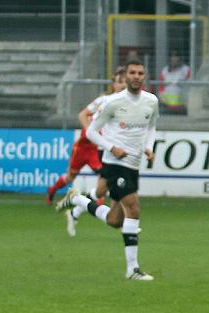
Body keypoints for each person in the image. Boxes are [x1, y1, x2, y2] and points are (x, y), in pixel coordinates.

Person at [56, 59, 159, 281]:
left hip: (133, 165)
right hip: (114, 163)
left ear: (144, 77)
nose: (136, 76)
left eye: (140, 73)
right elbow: (92, 131)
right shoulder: (112, 102)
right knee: (134, 208)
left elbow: (151, 127)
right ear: (126, 76)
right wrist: (112, 148)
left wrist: (149, 148)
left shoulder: (151, 101)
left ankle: (78, 200)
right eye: (132, 72)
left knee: (115, 220)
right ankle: (133, 269)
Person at [45, 69, 126, 207]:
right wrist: (91, 131)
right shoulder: (103, 102)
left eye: (125, 81)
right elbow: (84, 116)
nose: (123, 85)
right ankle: (52, 190)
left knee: (102, 173)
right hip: (82, 149)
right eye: (120, 82)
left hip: (96, 149)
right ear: (114, 85)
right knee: (70, 177)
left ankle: (98, 202)